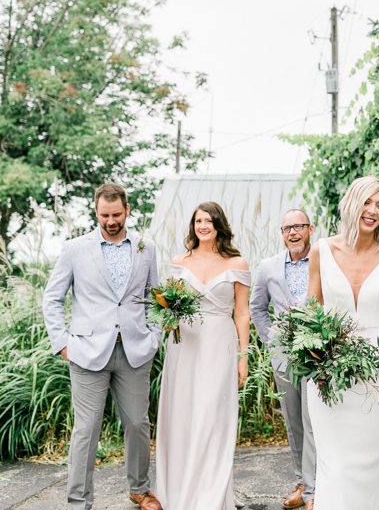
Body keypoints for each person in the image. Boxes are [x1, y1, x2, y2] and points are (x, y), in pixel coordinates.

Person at [43, 183, 162, 510]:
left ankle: (139, 489)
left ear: (127, 210)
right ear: (96, 212)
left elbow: (155, 297)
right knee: (86, 429)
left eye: (116, 214)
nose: (110, 221)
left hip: (135, 351)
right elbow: (52, 298)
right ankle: (79, 501)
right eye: (104, 215)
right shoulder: (74, 249)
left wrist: (154, 336)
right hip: (86, 352)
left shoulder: (146, 247)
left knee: (138, 424)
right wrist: (63, 343)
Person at [306, 176, 379, 510]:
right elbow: (310, 314)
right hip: (327, 371)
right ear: (352, 202)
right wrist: (314, 363)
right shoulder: (321, 249)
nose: (374, 211)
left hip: (377, 371)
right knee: (334, 464)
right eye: (367, 202)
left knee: (372, 463)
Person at [155, 202, 251, 510]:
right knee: (183, 416)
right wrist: (168, 317)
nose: (203, 226)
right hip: (185, 347)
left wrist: (242, 356)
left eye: (209, 220)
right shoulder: (179, 261)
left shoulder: (237, 263)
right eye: (198, 220)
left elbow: (242, 313)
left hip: (220, 345)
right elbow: (168, 304)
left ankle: (211, 495)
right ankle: (180, 491)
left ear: (219, 225)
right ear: (193, 226)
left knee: (213, 417)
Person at [250, 209, 317, 510]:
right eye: (287, 228)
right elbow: (257, 308)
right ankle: (303, 482)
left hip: (320, 354)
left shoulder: (324, 259)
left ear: (310, 229)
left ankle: (319, 486)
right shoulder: (268, 267)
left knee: (316, 419)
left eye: (298, 226)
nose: (293, 233)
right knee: (294, 420)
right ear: (281, 233)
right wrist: (272, 342)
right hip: (285, 357)